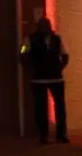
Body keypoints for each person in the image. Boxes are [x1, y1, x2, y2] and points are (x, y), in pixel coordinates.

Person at [20, 16, 69, 144]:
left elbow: (64, 54)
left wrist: (60, 67)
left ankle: (60, 134)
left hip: (55, 77)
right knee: (41, 108)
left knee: (59, 107)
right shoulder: (30, 39)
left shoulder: (56, 39)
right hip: (39, 78)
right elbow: (23, 52)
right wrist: (30, 68)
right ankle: (43, 135)